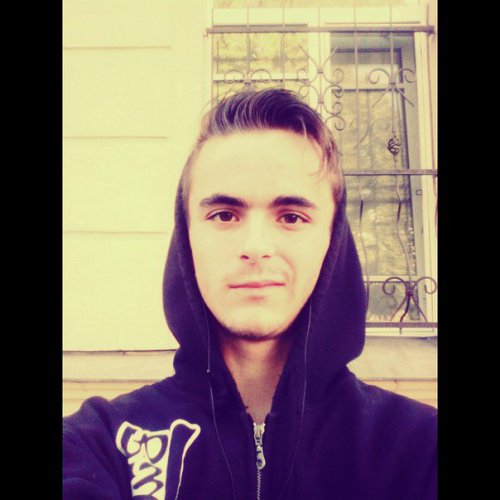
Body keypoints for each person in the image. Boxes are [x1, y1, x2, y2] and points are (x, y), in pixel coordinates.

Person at [63, 88, 437, 500]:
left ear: (332, 240)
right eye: (224, 215)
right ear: (186, 236)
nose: (255, 246)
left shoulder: (419, 449)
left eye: (291, 217)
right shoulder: (99, 445)